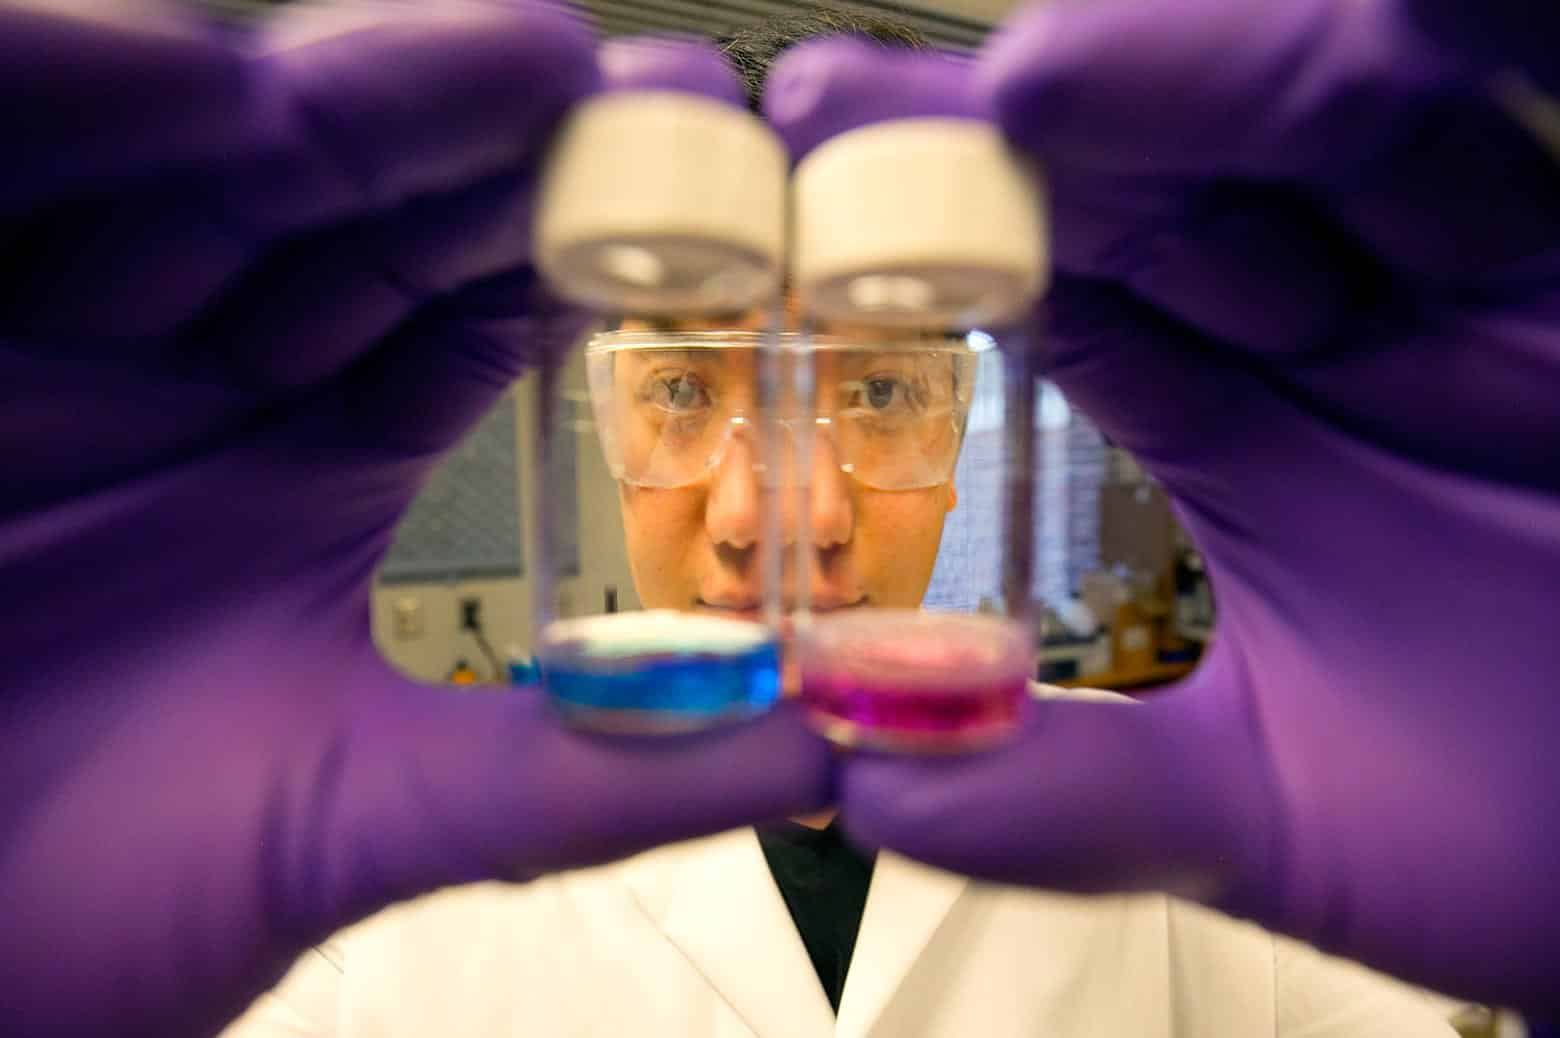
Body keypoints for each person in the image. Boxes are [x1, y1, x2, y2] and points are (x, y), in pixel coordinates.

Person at [2, 0, 1556, 1033]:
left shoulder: (1231, 847)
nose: (775, 515)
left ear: (964, 435)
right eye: (685, 388)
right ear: (601, 425)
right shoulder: (329, 900)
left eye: (876, 392)